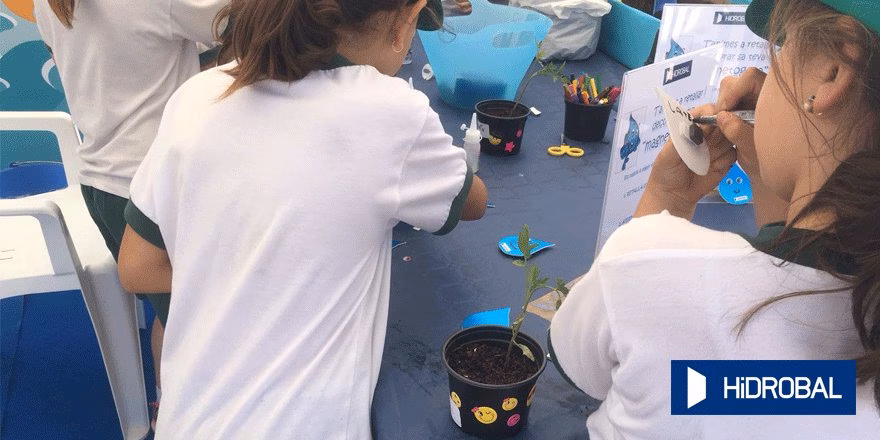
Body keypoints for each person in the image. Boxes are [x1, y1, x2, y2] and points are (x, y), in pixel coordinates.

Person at [116, 0, 488, 437]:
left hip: (189, 422)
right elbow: (473, 202)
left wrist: (242, 275)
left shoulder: (198, 94)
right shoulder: (392, 112)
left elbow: (137, 266)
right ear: (405, 20)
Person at [549, 0, 880, 438]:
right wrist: (772, 164)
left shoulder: (650, 266)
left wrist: (662, 202)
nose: (763, 77)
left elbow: (578, 363)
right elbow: (786, 391)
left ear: (834, 69)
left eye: (781, 49)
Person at [33, 0, 228, 428]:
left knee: (175, 310)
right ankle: (184, 416)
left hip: (100, 183)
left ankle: (168, 408)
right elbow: (252, 21)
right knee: (200, 319)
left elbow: (119, 51)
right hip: (151, 191)